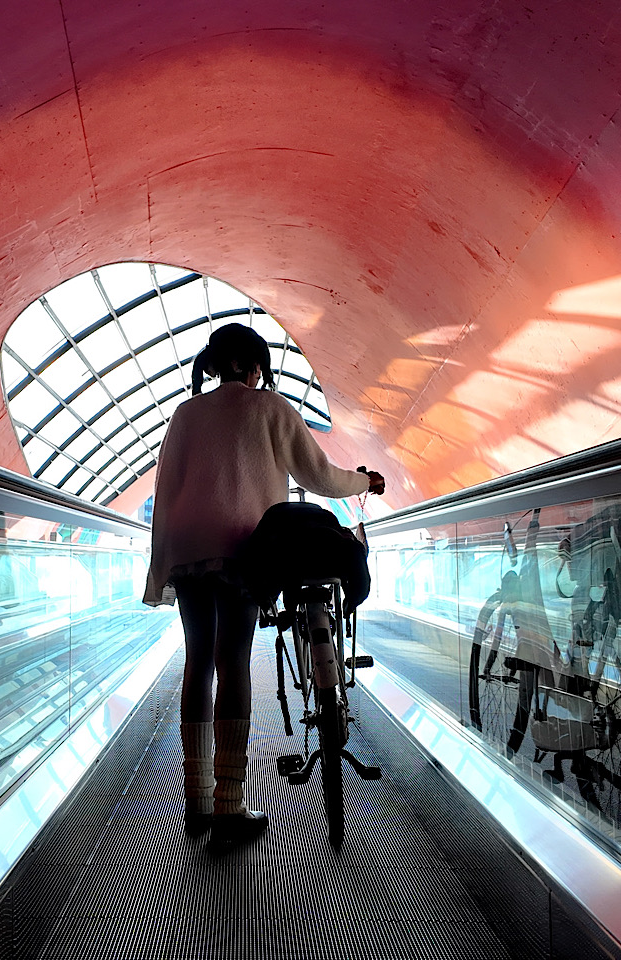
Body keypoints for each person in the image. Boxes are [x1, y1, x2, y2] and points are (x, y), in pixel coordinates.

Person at [143, 322, 385, 843]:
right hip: (242, 545)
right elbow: (320, 476)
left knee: (198, 662)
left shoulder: (185, 414)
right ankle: (229, 807)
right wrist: (365, 480)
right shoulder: (270, 407)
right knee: (233, 662)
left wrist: (162, 564)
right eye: (260, 367)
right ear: (252, 366)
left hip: (187, 547)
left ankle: (196, 802)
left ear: (215, 365)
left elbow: (166, 489)